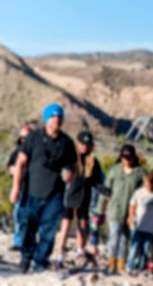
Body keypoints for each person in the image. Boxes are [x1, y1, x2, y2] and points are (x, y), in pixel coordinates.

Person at [9, 104, 77, 273]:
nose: (57, 120)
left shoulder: (66, 143)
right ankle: (26, 257)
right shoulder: (33, 137)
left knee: (48, 231)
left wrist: (69, 174)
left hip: (54, 195)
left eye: (60, 117)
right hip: (31, 191)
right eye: (54, 117)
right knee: (27, 228)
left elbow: (73, 166)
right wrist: (16, 188)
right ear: (47, 119)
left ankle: (40, 261)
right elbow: (20, 162)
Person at [55, 131, 103, 269]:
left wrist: (104, 190)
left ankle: (80, 251)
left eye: (87, 145)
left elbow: (97, 180)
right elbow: (62, 175)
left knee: (82, 224)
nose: (85, 147)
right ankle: (60, 255)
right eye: (82, 144)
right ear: (78, 143)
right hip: (68, 196)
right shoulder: (70, 157)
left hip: (84, 196)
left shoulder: (93, 161)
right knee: (65, 226)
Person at [96, 144, 146, 274]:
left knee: (125, 238)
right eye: (124, 156)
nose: (127, 159)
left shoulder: (139, 173)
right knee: (114, 236)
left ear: (134, 157)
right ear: (121, 157)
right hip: (114, 210)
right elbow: (105, 190)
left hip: (130, 212)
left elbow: (145, 191)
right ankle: (111, 264)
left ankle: (121, 264)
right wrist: (100, 210)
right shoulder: (114, 170)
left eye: (129, 157)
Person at [126, 171, 153, 276]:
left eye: (150, 184)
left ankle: (142, 267)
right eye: (146, 183)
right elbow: (132, 205)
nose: (148, 186)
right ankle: (130, 267)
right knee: (134, 247)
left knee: (146, 248)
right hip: (137, 226)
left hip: (150, 227)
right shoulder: (139, 192)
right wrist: (131, 216)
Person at [7, 123, 32, 251]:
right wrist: (18, 171)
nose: (24, 140)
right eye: (23, 137)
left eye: (27, 137)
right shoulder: (17, 152)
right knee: (18, 214)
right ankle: (18, 241)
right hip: (21, 187)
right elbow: (11, 168)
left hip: (34, 188)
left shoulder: (36, 152)